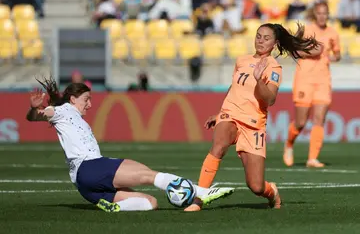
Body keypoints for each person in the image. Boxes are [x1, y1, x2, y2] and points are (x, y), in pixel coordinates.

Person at [26, 77, 235, 212]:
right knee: (147, 175)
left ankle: (112, 207)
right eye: (86, 99)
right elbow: (37, 116)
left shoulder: (73, 116)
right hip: (89, 167)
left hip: (86, 187)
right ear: (72, 99)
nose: (90, 104)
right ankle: (201, 192)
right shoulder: (64, 111)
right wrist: (35, 109)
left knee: (149, 203)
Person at [184, 22, 323, 212]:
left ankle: (272, 192)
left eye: (266, 38)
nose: (261, 41)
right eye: (258, 36)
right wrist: (219, 113)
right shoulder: (242, 60)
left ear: (274, 43)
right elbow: (234, 87)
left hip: (253, 124)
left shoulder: (274, 68)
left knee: (255, 186)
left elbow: (270, 99)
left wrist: (259, 80)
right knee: (218, 146)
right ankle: (198, 200)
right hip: (231, 113)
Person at [283, 1, 341, 168]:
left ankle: (312, 159)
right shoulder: (307, 30)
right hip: (304, 79)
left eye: (325, 13)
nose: (322, 16)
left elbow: (337, 54)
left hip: (323, 80)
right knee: (301, 122)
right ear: (314, 14)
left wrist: (332, 57)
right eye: (319, 13)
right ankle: (289, 143)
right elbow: (292, 50)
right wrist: (311, 52)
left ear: (328, 15)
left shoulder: (332, 33)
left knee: (319, 119)